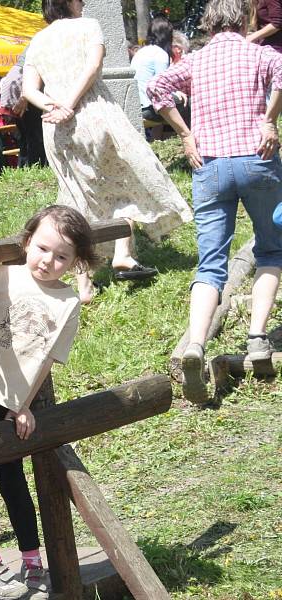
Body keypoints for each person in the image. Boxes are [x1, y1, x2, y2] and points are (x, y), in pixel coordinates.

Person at [0, 205, 95, 599]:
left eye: (62, 257)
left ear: (75, 262)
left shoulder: (67, 304)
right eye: (43, 248)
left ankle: (31, 561)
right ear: (27, 242)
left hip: (6, 400)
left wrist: (23, 405)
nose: (49, 261)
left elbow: (46, 363)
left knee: (12, 477)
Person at [147, 0, 282, 403]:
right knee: (272, 249)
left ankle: (196, 346)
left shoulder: (196, 60)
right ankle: (257, 338)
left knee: (210, 263)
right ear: (246, 19)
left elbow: (157, 88)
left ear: (208, 23)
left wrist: (185, 134)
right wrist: (270, 120)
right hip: (257, 159)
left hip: (209, 165)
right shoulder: (260, 53)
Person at [21, 0, 192, 303]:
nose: (84, 2)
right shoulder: (88, 25)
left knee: (73, 197)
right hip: (93, 114)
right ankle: (122, 255)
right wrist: (70, 105)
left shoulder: (38, 39)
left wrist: (55, 107)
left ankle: (84, 284)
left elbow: (28, 91)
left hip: (56, 127)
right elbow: (93, 67)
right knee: (123, 182)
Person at [131, 15, 176, 140]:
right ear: (168, 36)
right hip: (149, 110)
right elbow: (162, 88)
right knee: (188, 105)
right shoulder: (160, 54)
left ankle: (157, 143)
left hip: (137, 106)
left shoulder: (141, 52)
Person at [0, 54, 49, 168]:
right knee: (35, 135)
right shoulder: (42, 41)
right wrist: (24, 96)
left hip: (15, 85)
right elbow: (31, 71)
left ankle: (26, 167)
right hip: (23, 85)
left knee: (26, 136)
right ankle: (37, 167)